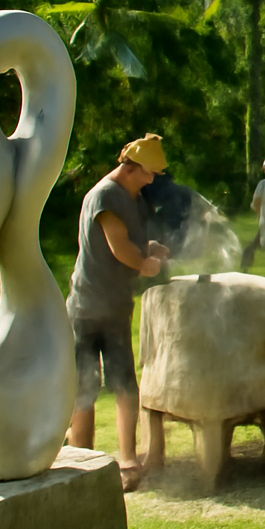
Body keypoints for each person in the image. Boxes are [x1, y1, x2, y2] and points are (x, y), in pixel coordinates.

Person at [66, 134, 171, 491]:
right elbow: (118, 245)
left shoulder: (133, 198)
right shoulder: (106, 196)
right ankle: (81, 460)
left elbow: (132, 241)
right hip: (87, 307)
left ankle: (127, 459)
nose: (151, 179)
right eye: (148, 173)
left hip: (115, 306)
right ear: (129, 168)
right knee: (84, 386)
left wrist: (149, 248)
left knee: (125, 383)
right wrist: (143, 264)